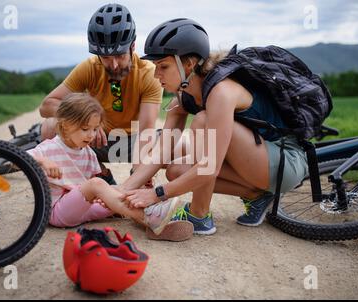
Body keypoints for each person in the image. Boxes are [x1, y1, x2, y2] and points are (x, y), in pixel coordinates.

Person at [118, 18, 309, 234]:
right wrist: (124, 190)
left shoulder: (221, 92)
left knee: (202, 121)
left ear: (188, 64)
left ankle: (199, 216)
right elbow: (163, 151)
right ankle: (257, 196)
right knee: (176, 171)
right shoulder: (184, 96)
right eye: (155, 67)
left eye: (163, 66)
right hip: (259, 159)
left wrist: (156, 194)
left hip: (286, 161)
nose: (155, 75)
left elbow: (209, 168)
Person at [38, 3, 163, 185]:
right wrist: (85, 120)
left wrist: (138, 177)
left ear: (132, 46)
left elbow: (146, 131)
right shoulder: (89, 67)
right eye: (105, 57)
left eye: (119, 55)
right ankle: (99, 174)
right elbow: (46, 105)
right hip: (95, 140)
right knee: (50, 126)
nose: (113, 65)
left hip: (130, 143)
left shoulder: (149, 73)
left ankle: (142, 179)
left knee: (168, 140)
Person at [28, 92, 181, 236]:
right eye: (85, 129)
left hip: (82, 209)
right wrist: (43, 162)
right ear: (65, 126)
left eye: (95, 129)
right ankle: (146, 218)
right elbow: (17, 160)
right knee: (97, 185)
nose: (91, 135)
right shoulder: (49, 148)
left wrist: (113, 194)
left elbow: (97, 190)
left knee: (117, 191)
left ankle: (153, 214)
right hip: (56, 212)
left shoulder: (87, 153)